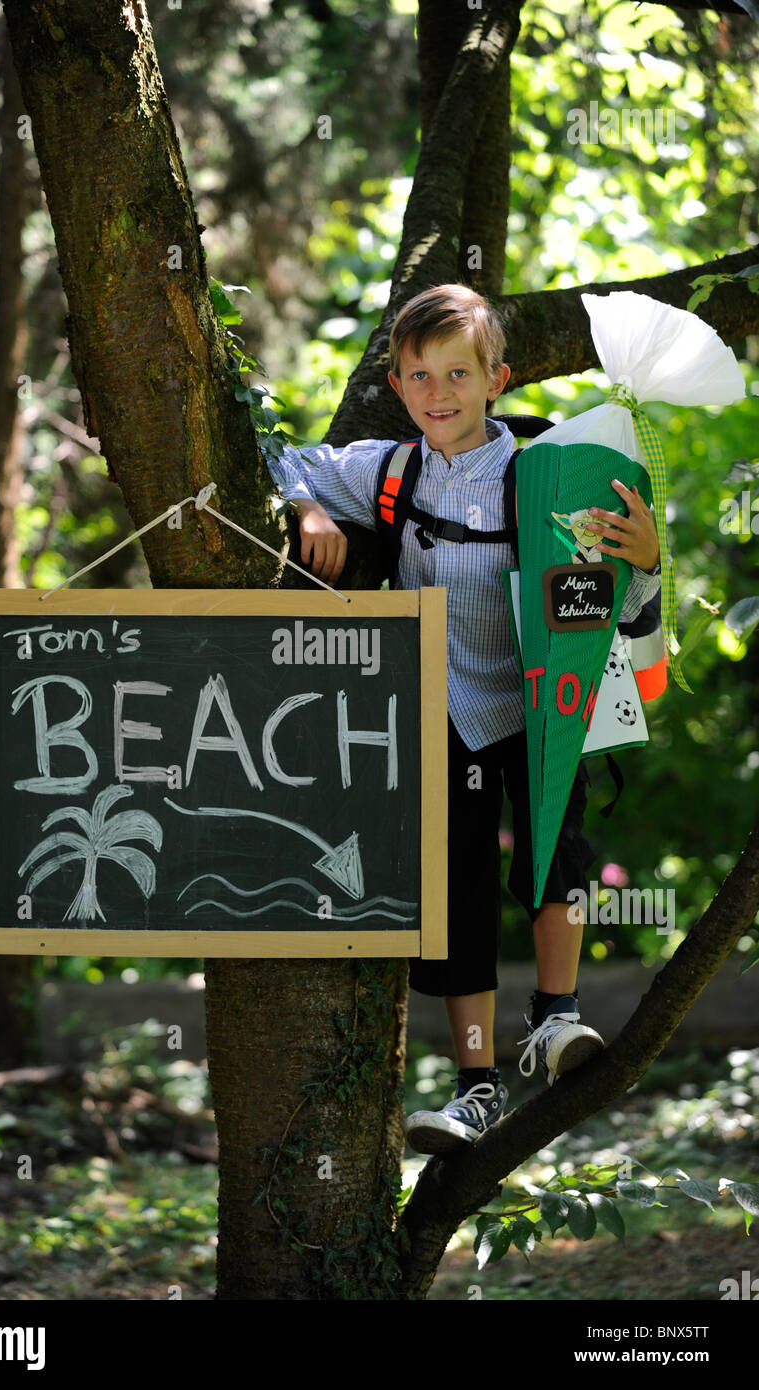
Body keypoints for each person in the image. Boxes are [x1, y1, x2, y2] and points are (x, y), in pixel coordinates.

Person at [265, 284, 662, 1154]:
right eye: (417, 375)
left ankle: (555, 1019)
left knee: (557, 850)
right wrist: (306, 509)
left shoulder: (544, 470)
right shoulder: (391, 469)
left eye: (456, 373)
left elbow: (613, 605)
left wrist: (648, 562)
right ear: (399, 386)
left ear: (497, 380)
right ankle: (476, 1084)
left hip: (541, 699)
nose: (436, 392)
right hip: (443, 709)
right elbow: (285, 452)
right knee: (452, 896)